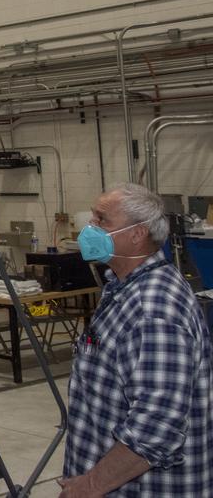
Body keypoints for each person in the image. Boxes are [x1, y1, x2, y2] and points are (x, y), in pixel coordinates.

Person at [59, 182, 211, 497]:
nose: (90, 228)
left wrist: (90, 485)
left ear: (137, 234)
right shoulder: (122, 288)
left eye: (102, 220)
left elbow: (156, 427)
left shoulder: (154, 308)